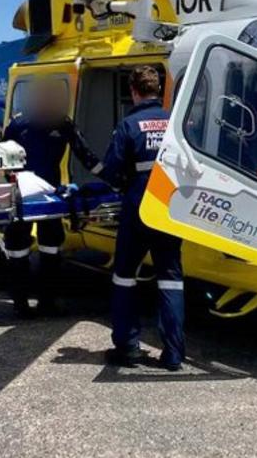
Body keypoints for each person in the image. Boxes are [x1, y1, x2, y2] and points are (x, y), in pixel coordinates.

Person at [1, 78, 106, 317]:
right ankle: (20, 303)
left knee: (51, 249)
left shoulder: (63, 125)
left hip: (50, 197)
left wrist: (111, 177)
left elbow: (85, 155)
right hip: (21, 196)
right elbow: (3, 157)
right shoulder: (19, 125)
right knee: (18, 250)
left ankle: (47, 301)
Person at [101, 65, 183, 370]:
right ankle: (173, 354)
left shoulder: (128, 125)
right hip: (170, 207)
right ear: (159, 90)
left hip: (138, 209)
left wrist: (125, 185)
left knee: (124, 276)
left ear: (134, 91)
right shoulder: (176, 123)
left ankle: (129, 347)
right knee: (171, 280)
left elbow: (112, 171)